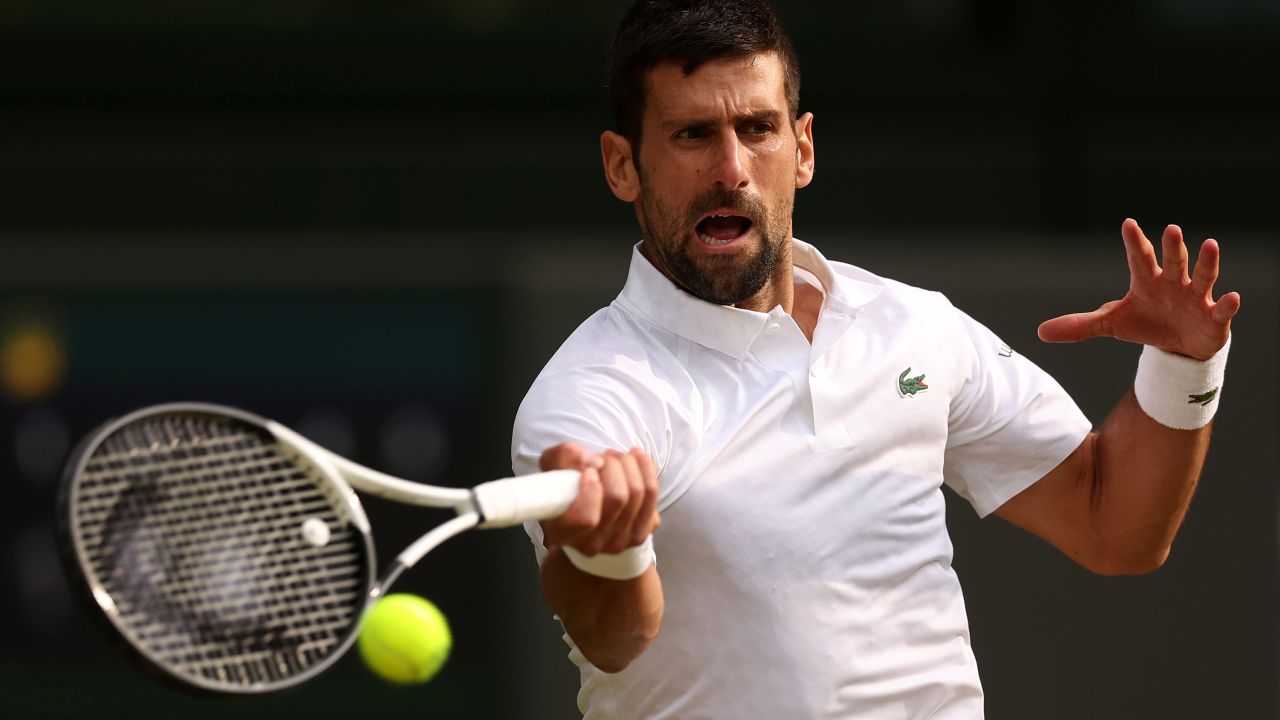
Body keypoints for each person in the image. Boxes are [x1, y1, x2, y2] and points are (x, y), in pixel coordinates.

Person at [510, 1, 1240, 717]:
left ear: (802, 150)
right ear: (621, 166)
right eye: (693, 133)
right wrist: (612, 550)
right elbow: (615, 638)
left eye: (758, 129)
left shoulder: (914, 325)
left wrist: (1181, 367)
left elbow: (1114, 529)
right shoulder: (589, 398)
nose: (730, 168)